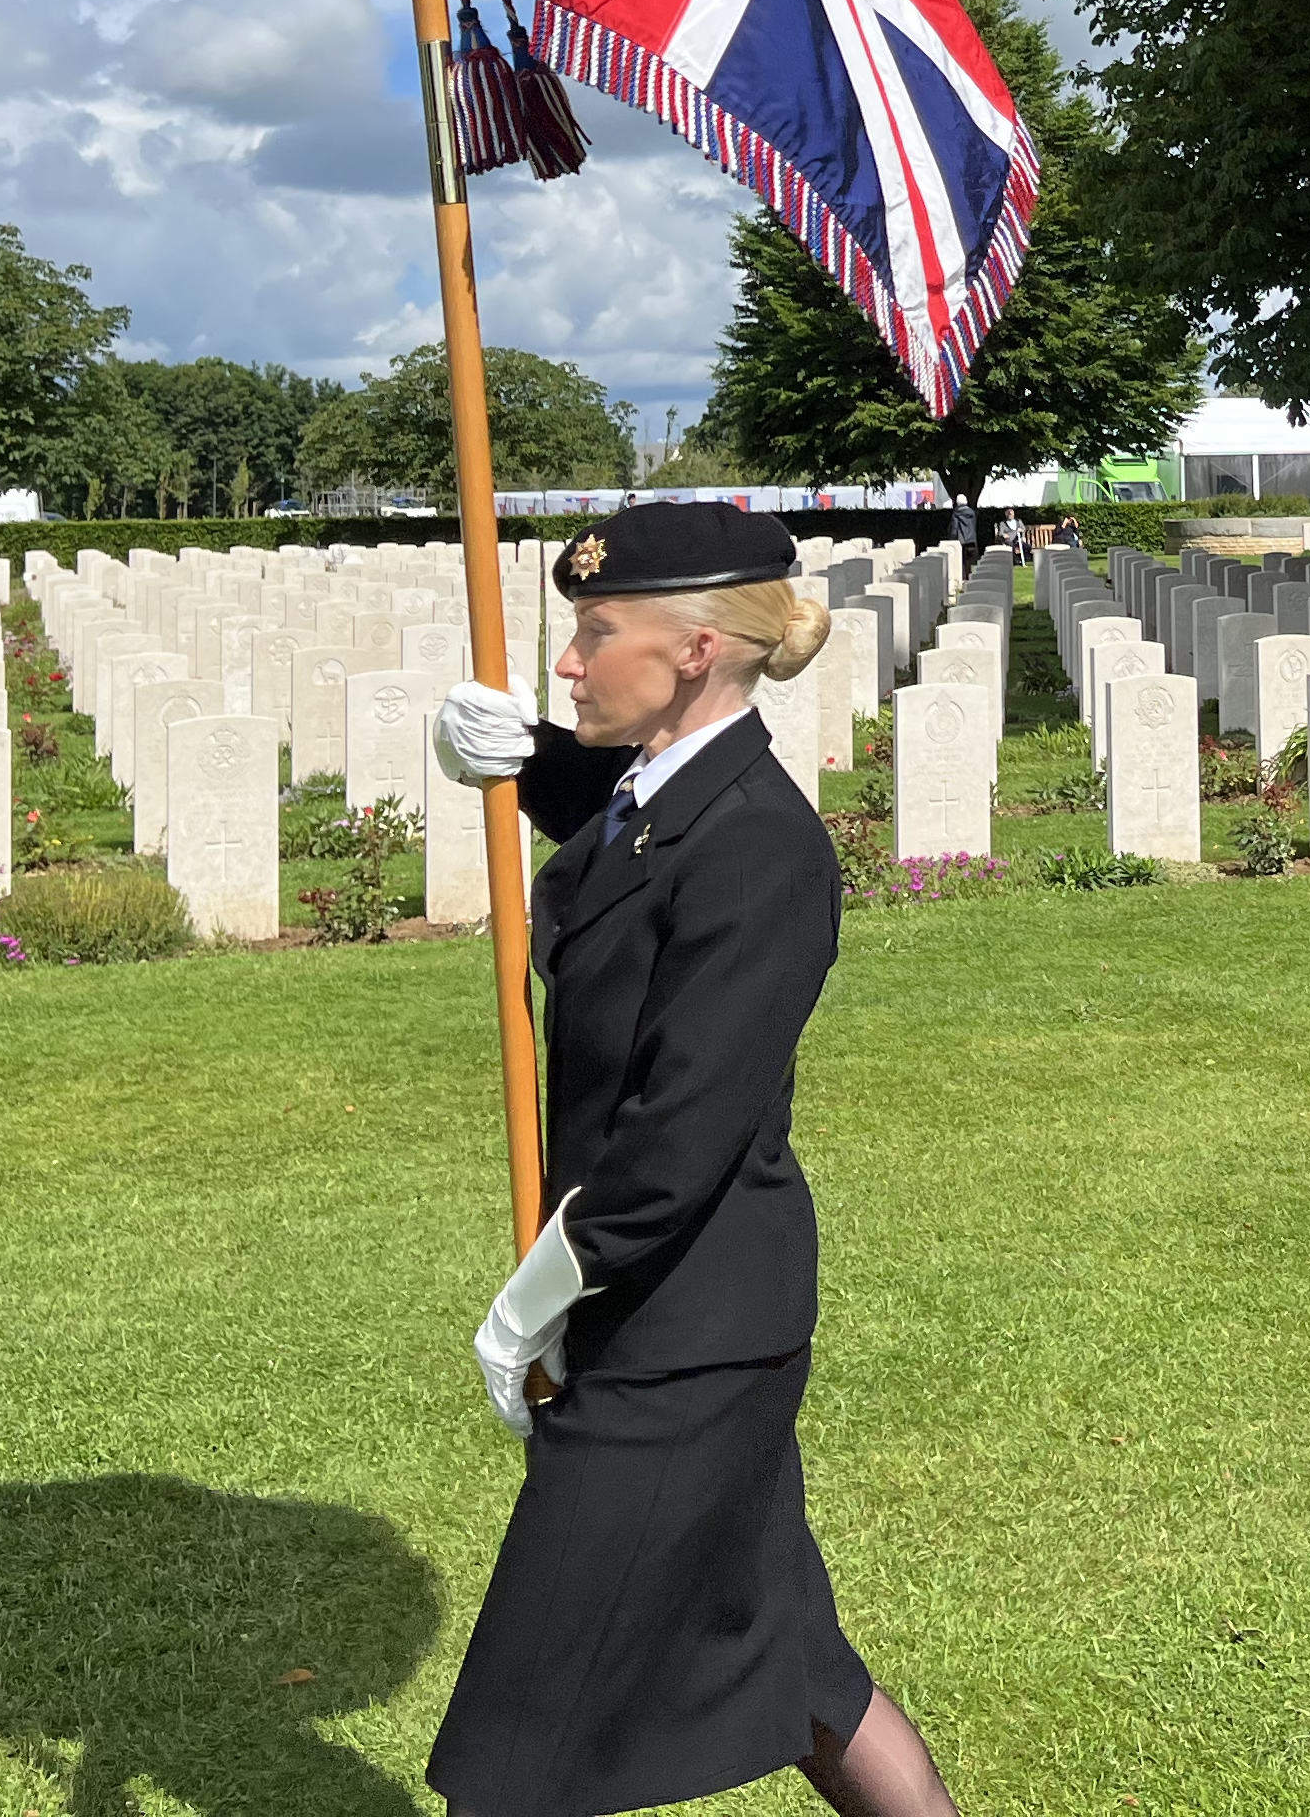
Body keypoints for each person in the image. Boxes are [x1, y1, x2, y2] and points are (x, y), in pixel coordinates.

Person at [423, 501, 960, 1817]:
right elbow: (625, 835)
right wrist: (523, 755)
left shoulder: (762, 849)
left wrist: (542, 1292)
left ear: (696, 652)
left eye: (597, 634)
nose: (567, 661)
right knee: (802, 1671)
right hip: (670, 1317)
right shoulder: (663, 797)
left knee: (517, 1748)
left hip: (685, 1338)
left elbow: (683, 1132)